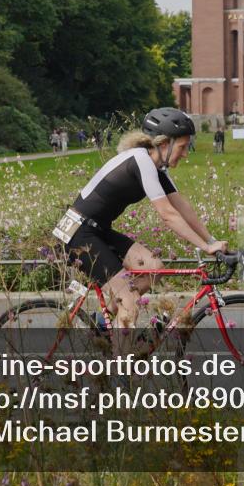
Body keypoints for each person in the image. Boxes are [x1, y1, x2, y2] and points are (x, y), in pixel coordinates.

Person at [56, 107, 227, 332]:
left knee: (153, 267)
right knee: (130, 302)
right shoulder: (140, 160)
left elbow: (182, 207)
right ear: (164, 144)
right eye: (183, 147)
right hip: (78, 233)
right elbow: (168, 214)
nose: (186, 154)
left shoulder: (157, 168)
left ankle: (106, 324)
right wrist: (205, 247)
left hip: (97, 230)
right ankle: (121, 364)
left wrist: (213, 241)